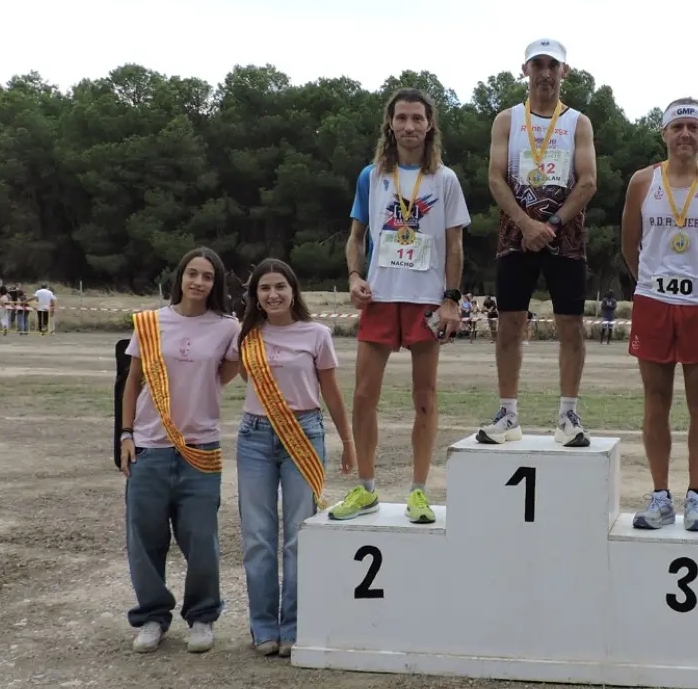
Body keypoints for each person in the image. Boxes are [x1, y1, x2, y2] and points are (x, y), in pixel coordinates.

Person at [329, 87, 471, 524]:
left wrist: (451, 299)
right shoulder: (372, 176)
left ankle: (419, 491)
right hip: (380, 296)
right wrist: (354, 276)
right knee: (364, 396)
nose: (409, 126)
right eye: (401, 118)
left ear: (430, 125)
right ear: (390, 124)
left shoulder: (445, 180)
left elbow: (455, 245)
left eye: (417, 118)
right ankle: (367, 488)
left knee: (425, 397)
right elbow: (355, 237)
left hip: (425, 301)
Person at [619, 98, 698, 532]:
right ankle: (659, 496)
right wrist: (649, 282)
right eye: (677, 127)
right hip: (653, 303)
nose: (685, 134)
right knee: (655, 400)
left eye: (693, 127)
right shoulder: (642, 181)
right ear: (664, 133)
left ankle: (696, 497)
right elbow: (629, 243)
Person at [228, 258, 356, 658]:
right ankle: (263, 626)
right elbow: (249, 379)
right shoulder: (246, 336)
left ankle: (295, 625)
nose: (273, 294)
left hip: (304, 433)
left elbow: (331, 390)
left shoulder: (317, 334)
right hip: (254, 437)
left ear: (293, 290)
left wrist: (348, 440)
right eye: (264, 288)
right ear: (255, 295)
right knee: (258, 536)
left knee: (300, 536)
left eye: (280, 286)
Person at [118, 247, 242, 654]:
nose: (198, 282)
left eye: (207, 276)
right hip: (149, 447)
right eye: (192, 273)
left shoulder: (227, 328)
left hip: (200, 448)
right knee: (145, 539)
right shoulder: (151, 322)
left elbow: (223, 376)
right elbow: (132, 381)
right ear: (180, 276)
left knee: (201, 539)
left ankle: (202, 616)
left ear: (215, 283)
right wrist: (125, 434)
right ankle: (152, 617)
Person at [477, 38, 598, 447]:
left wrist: (552, 222)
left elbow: (588, 181)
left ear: (565, 71)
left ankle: (568, 416)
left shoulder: (578, 122)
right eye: (538, 64)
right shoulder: (507, 120)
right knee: (510, 322)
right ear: (525, 69)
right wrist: (526, 223)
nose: (545, 72)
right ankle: (508, 414)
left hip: (566, 236)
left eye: (552, 65)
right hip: (516, 233)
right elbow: (495, 177)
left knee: (571, 325)